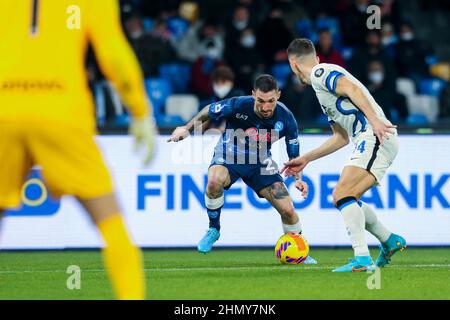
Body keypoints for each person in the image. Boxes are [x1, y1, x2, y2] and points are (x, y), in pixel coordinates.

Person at [0, 0, 157, 299]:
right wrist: (139, 110)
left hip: (3, 109)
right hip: (62, 111)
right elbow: (112, 52)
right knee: (111, 223)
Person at [285, 38, 406, 272]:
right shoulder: (321, 88)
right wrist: (307, 158)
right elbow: (340, 137)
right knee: (345, 196)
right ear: (315, 57)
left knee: (342, 193)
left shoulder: (321, 72)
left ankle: (362, 259)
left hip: (375, 135)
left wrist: (375, 123)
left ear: (293, 64)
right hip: (368, 137)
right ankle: (390, 240)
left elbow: (353, 89)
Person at [167, 75, 316, 264]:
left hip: (260, 162)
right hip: (229, 155)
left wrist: (298, 179)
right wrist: (187, 129)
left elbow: (294, 155)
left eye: (270, 101)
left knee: (288, 210)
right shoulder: (238, 105)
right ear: (253, 95)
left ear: (278, 95)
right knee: (213, 182)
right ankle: (214, 229)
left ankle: (300, 251)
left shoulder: (286, 118)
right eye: (260, 101)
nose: (265, 107)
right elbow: (209, 111)